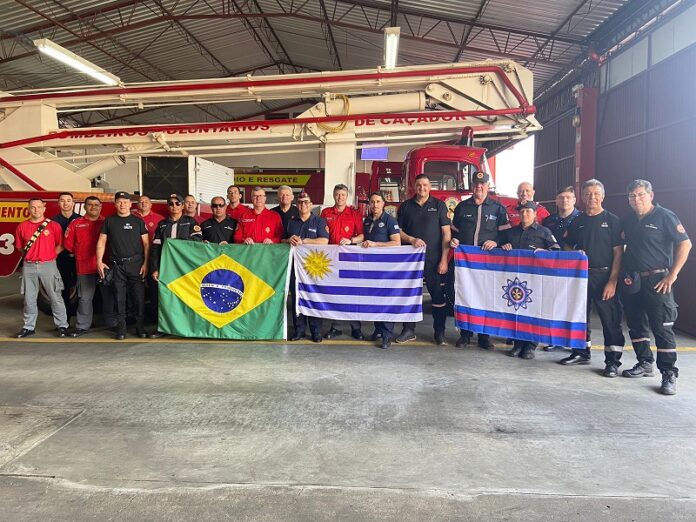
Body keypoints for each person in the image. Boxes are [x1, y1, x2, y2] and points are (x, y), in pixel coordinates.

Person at [619, 179, 692, 395]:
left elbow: (685, 243)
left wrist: (673, 274)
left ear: (651, 195)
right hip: (633, 280)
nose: (637, 199)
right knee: (635, 324)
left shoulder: (665, 216)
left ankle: (668, 373)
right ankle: (644, 363)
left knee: (662, 328)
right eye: (632, 196)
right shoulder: (627, 220)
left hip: (658, 280)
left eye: (641, 195)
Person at [560, 179, 624, 374]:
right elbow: (567, 245)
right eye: (588, 194)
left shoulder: (613, 220)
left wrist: (612, 281)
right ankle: (581, 352)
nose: (592, 197)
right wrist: (574, 255)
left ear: (602, 196)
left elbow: (619, 253)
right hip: (581, 277)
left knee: (610, 320)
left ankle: (612, 361)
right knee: (580, 316)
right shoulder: (577, 221)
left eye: (596, 194)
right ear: (582, 197)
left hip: (604, 276)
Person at [450, 171, 510, 350]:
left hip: (487, 263)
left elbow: (506, 235)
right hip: (466, 264)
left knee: (486, 298)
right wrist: (453, 240)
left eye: (482, 184)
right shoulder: (462, 207)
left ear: (488, 186)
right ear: (472, 186)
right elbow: (454, 231)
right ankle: (465, 334)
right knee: (465, 297)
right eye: (476, 184)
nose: (479, 187)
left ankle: (485, 336)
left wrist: (496, 241)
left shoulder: (498, 208)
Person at [396, 174, 451, 345]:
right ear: (414, 186)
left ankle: (439, 332)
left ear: (430, 187)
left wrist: (444, 260)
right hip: (410, 261)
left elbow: (446, 234)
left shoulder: (439, 206)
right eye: (419, 185)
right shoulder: (405, 206)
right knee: (410, 296)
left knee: (438, 297)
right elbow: (398, 231)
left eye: (425, 185)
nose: (422, 188)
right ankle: (408, 330)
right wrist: (411, 239)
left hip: (434, 260)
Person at [501, 201, 560, 360]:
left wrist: (546, 251)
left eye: (528, 211)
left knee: (534, 312)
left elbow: (556, 250)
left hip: (536, 280)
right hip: (515, 281)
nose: (525, 214)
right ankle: (518, 344)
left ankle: (530, 346)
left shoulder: (544, 232)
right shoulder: (510, 233)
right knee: (516, 311)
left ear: (535, 214)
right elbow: (499, 249)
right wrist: (504, 246)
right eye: (522, 212)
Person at [149, 193, 203, 338]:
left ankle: (189, 328)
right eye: (171, 204)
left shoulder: (191, 223)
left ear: (183, 205)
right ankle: (163, 328)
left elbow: (197, 244)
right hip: (166, 267)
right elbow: (155, 248)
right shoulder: (162, 224)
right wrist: (155, 268)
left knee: (187, 297)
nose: (174, 206)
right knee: (165, 298)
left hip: (185, 268)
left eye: (177, 203)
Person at [96, 192, 149, 340]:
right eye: (119, 202)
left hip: (136, 264)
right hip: (117, 266)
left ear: (130, 204)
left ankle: (140, 327)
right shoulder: (109, 221)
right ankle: (121, 329)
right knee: (119, 299)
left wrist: (145, 263)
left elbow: (146, 244)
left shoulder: (138, 221)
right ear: (115, 204)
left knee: (138, 298)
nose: (122, 204)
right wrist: (99, 261)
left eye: (125, 202)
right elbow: (101, 242)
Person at [14, 198, 69, 338]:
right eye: (33, 207)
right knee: (29, 298)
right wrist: (33, 256)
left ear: (44, 209)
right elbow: (20, 248)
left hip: (48, 265)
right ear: (29, 209)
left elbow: (61, 244)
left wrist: (49, 255)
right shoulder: (22, 226)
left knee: (55, 296)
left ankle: (62, 325)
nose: (36, 210)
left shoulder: (54, 226)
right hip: (29, 266)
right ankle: (28, 326)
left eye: (39, 207)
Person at [63, 196, 116, 336]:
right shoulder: (76, 224)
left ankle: (111, 323)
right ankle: (82, 326)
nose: (93, 207)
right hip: (85, 267)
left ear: (101, 207)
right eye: (90, 205)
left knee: (109, 296)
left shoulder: (108, 223)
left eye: (96, 205)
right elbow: (68, 245)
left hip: (105, 267)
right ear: (84, 207)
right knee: (84, 298)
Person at [321, 183, 365, 340]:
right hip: (331, 259)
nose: (340, 197)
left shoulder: (354, 214)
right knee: (335, 292)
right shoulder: (325, 213)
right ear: (334, 195)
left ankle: (356, 327)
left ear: (347, 197)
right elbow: (321, 234)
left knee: (352, 291)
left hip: (349, 258)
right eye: (338, 194)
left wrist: (351, 240)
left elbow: (362, 236)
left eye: (343, 195)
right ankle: (335, 326)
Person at [541, 186, 582, 352]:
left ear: (574, 200)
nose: (564, 200)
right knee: (554, 302)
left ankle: (575, 344)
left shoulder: (582, 219)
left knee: (574, 305)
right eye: (561, 197)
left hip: (574, 270)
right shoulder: (549, 221)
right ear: (556, 200)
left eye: (568, 197)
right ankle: (554, 338)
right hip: (553, 269)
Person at [285, 191, 329, 343]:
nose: (303, 205)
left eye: (306, 202)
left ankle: (316, 331)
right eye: (300, 202)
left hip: (313, 268)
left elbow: (324, 241)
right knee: (297, 298)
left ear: (311, 205)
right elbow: (282, 239)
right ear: (297, 205)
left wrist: (304, 241)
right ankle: (299, 330)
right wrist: (288, 239)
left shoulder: (319, 221)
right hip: (295, 268)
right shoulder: (291, 222)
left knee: (313, 297)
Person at [362, 192, 401, 349]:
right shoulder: (367, 221)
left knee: (386, 300)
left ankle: (387, 335)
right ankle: (378, 329)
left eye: (378, 201)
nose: (375, 204)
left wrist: (375, 244)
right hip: (371, 267)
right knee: (375, 299)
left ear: (383, 204)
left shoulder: (390, 220)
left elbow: (396, 243)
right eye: (372, 202)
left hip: (386, 268)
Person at [52, 192, 80, 315]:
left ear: (73, 203)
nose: (65, 203)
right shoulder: (53, 222)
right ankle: (65, 319)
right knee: (62, 290)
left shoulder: (80, 219)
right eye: (62, 201)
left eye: (68, 200)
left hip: (79, 260)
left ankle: (82, 319)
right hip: (60, 260)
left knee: (83, 290)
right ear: (58, 203)